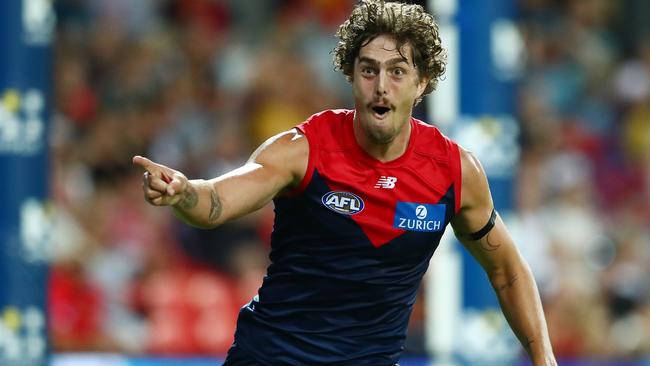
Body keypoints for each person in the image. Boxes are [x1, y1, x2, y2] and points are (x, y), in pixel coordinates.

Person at [133, 1, 557, 365]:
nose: (381, 87)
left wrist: (543, 359)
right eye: (369, 70)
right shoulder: (303, 149)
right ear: (351, 77)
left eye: (397, 72)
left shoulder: (454, 171)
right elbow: (216, 203)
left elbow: (508, 271)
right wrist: (184, 191)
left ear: (422, 82)